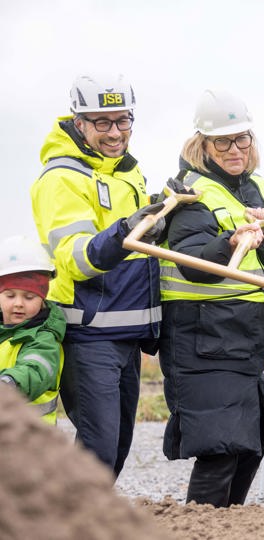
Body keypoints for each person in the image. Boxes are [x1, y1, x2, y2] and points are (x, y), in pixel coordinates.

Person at [30, 74, 166, 477]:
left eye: (122, 121)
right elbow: (78, 259)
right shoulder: (62, 178)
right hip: (88, 334)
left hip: (125, 332)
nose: (114, 132)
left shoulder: (127, 173)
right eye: (102, 122)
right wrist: (127, 229)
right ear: (79, 122)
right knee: (98, 448)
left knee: (116, 446)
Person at [158, 89, 264, 507]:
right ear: (203, 145)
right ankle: (201, 528)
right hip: (202, 339)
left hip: (243, 341)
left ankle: (225, 526)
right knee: (222, 448)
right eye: (223, 142)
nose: (235, 150)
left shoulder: (258, 188)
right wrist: (230, 241)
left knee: (252, 442)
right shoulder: (190, 192)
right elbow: (191, 263)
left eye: (242, 139)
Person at [0, 235, 66, 424]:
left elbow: (36, 371)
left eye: (29, 297)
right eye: (10, 295)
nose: (19, 304)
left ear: (42, 298)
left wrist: (8, 383)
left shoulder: (45, 339)